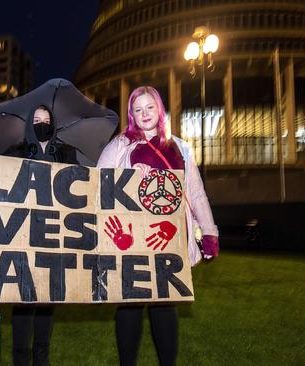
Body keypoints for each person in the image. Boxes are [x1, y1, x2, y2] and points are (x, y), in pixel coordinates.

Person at [96, 86, 219, 366]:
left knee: (165, 305)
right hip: (130, 238)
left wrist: (209, 233)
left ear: (159, 109)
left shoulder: (180, 146)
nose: (144, 114)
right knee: (130, 305)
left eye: (149, 107)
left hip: (169, 237)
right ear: (131, 114)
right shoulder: (119, 145)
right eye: (138, 109)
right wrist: (128, 177)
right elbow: (99, 183)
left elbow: (196, 193)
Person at [1, 105, 77, 366]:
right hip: (22, 234)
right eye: (36, 119)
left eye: (46, 120)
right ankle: (21, 357)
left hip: (55, 235)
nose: (42, 124)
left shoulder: (66, 153)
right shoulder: (15, 152)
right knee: (23, 299)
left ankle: (42, 357)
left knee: (47, 296)